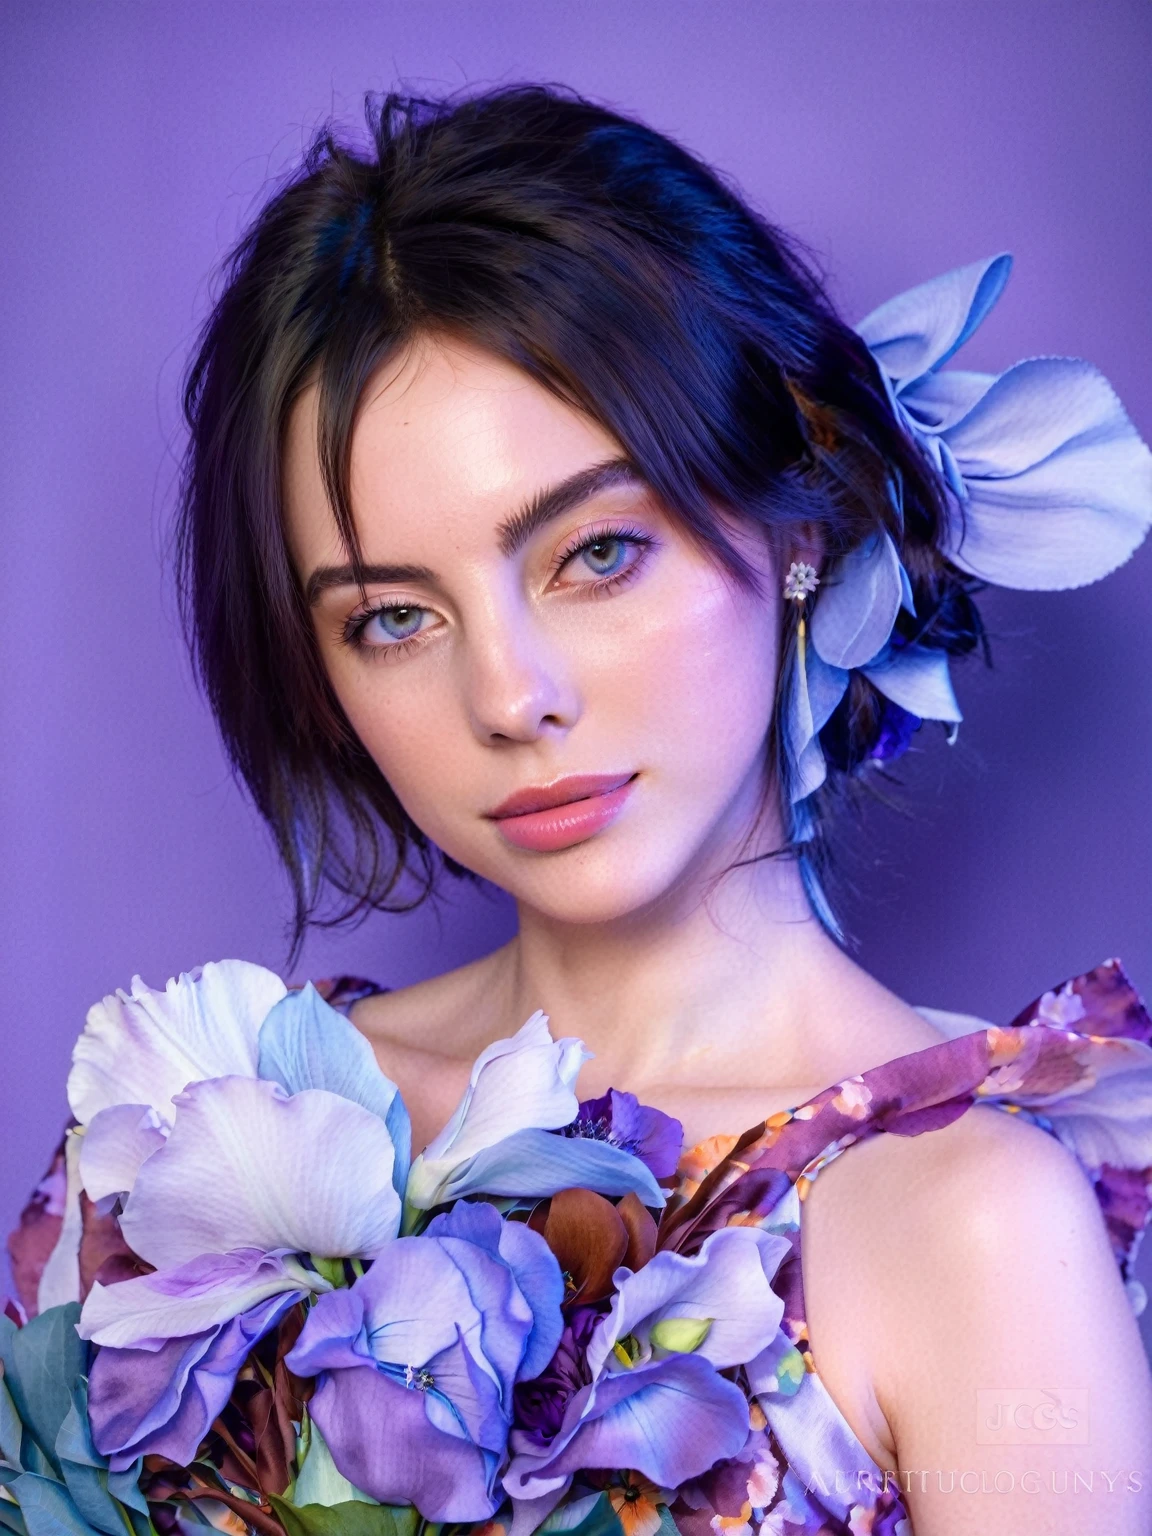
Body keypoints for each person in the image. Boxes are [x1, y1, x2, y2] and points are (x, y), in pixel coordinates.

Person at [9, 84, 1152, 1535]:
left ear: (797, 531)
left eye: (599, 552)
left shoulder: (971, 1225)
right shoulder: (183, 1153)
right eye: (393, 620)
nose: (512, 694)